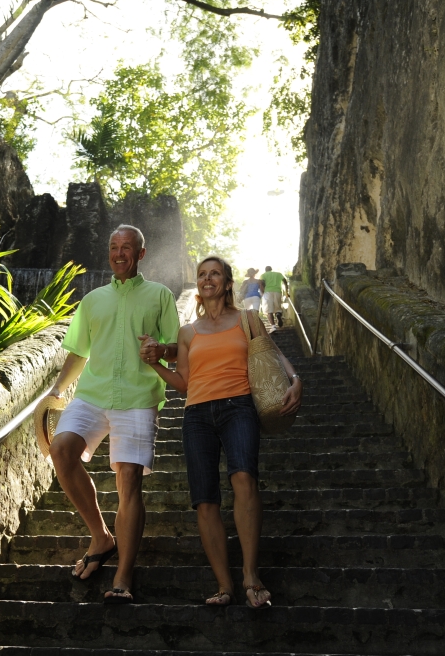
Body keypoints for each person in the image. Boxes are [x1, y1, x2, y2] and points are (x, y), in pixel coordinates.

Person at [139, 255, 302, 608]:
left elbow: (273, 354)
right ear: (198, 284)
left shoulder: (246, 319)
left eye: (215, 273)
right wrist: (155, 365)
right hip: (196, 414)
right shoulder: (187, 332)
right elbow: (183, 382)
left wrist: (296, 380)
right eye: (202, 274)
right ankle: (224, 584)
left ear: (227, 283)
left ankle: (250, 574)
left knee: (244, 478)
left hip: (238, 407)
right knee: (204, 499)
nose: (207, 279)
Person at [47, 224, 180, 605]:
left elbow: (177, 348)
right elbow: (78, 352)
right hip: (91, 395)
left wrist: (161, 350)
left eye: (127, 248)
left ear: (141, 253)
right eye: (114, 247)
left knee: (128, 482)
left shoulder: (160, 296)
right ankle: (101, 536)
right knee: (62, 451)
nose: (119, 253)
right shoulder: (93, 300)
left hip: (139, 397)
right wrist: (58, 388)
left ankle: (123, 575)